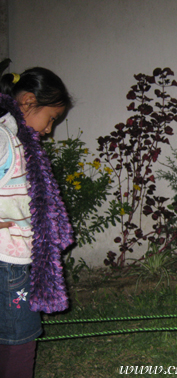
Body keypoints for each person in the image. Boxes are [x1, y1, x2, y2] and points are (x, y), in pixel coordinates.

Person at [0, 68, 73, 378]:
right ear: (28, 101)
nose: (49, 130)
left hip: (10, 259)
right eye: (52, 118)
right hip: (8, 264)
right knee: (20, 339)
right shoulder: (5, 139)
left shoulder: (17, 140)